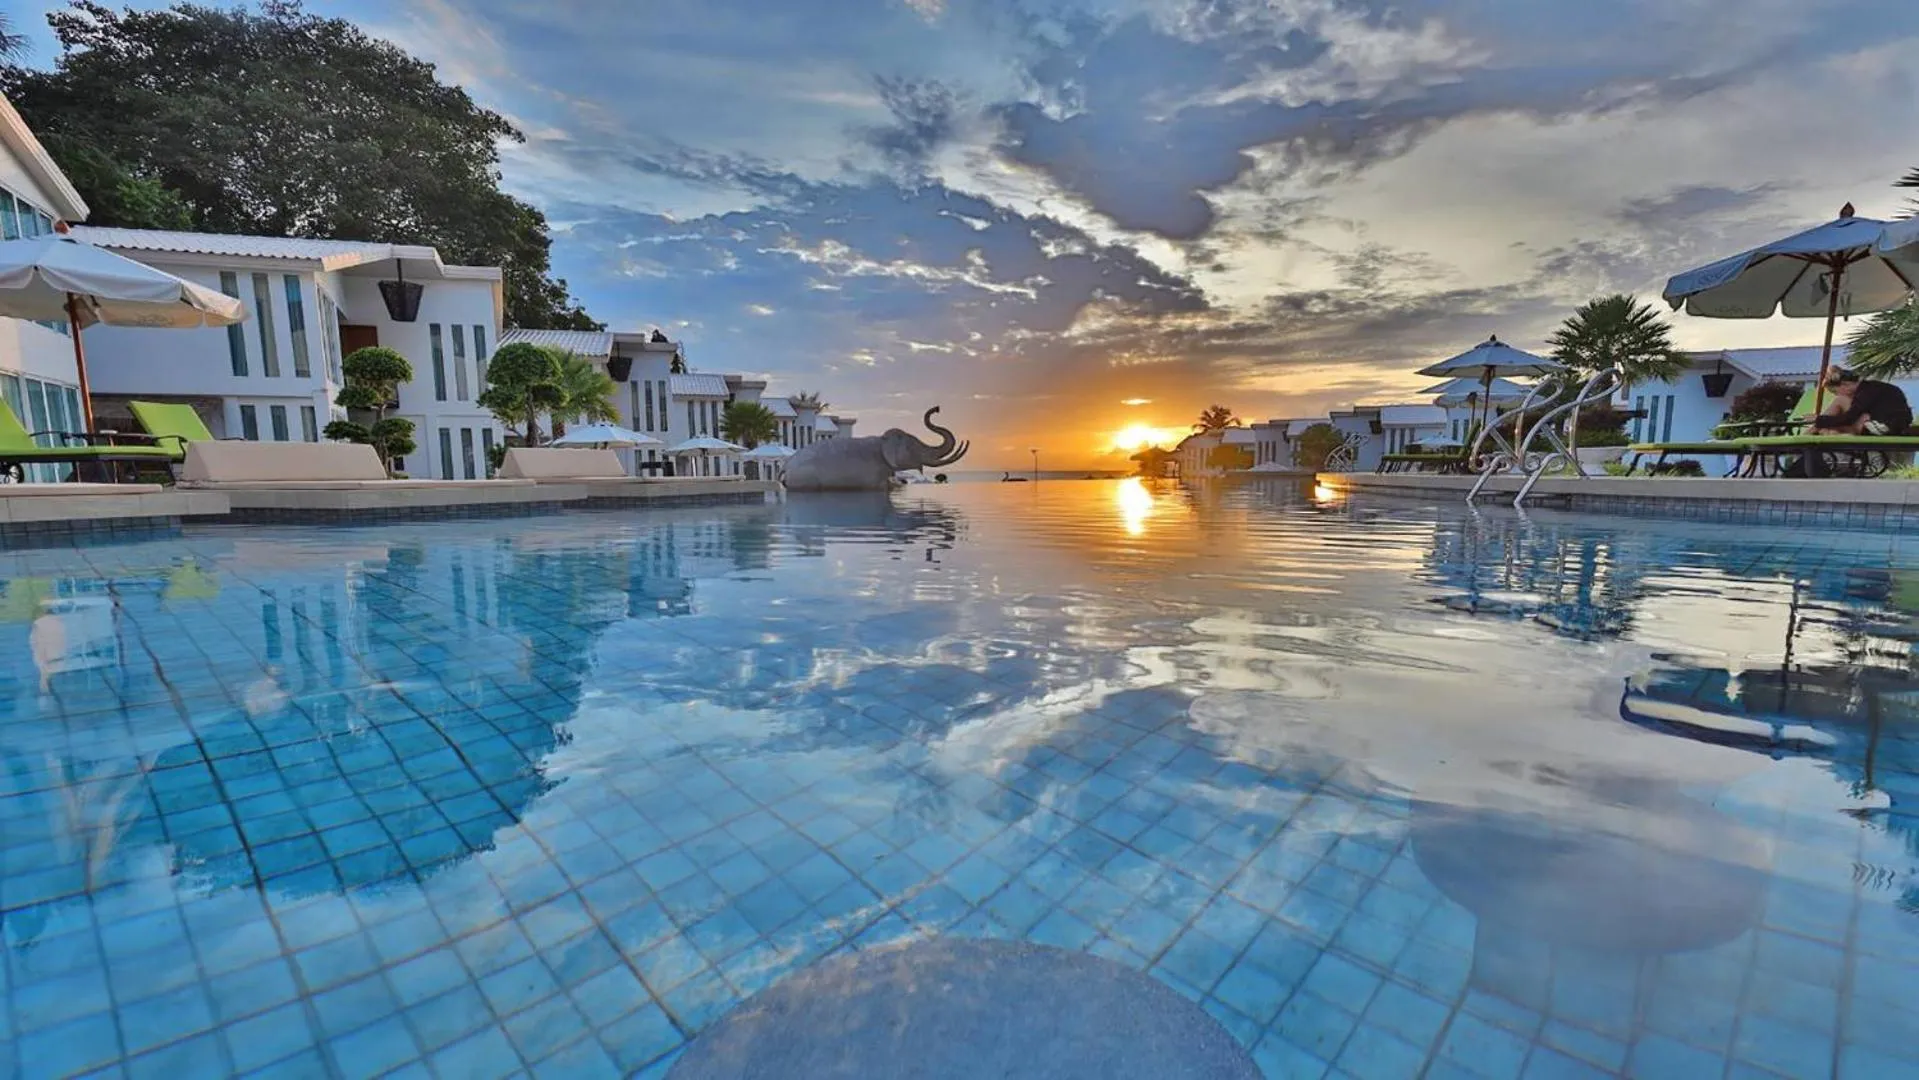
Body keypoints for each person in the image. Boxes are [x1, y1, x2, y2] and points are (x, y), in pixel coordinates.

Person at [1813, 369, 1912, 436]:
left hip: (1885, 427)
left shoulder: (1866, 392)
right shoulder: (1872, 387)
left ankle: (1809, 434)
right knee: (1826, 428)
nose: (1836, 394)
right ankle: (1818, 431)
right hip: (1894, 426)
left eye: (1835, 391)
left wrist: (1818, 420)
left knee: (1839, 403)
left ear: (1844, 384)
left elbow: (1849, 418)